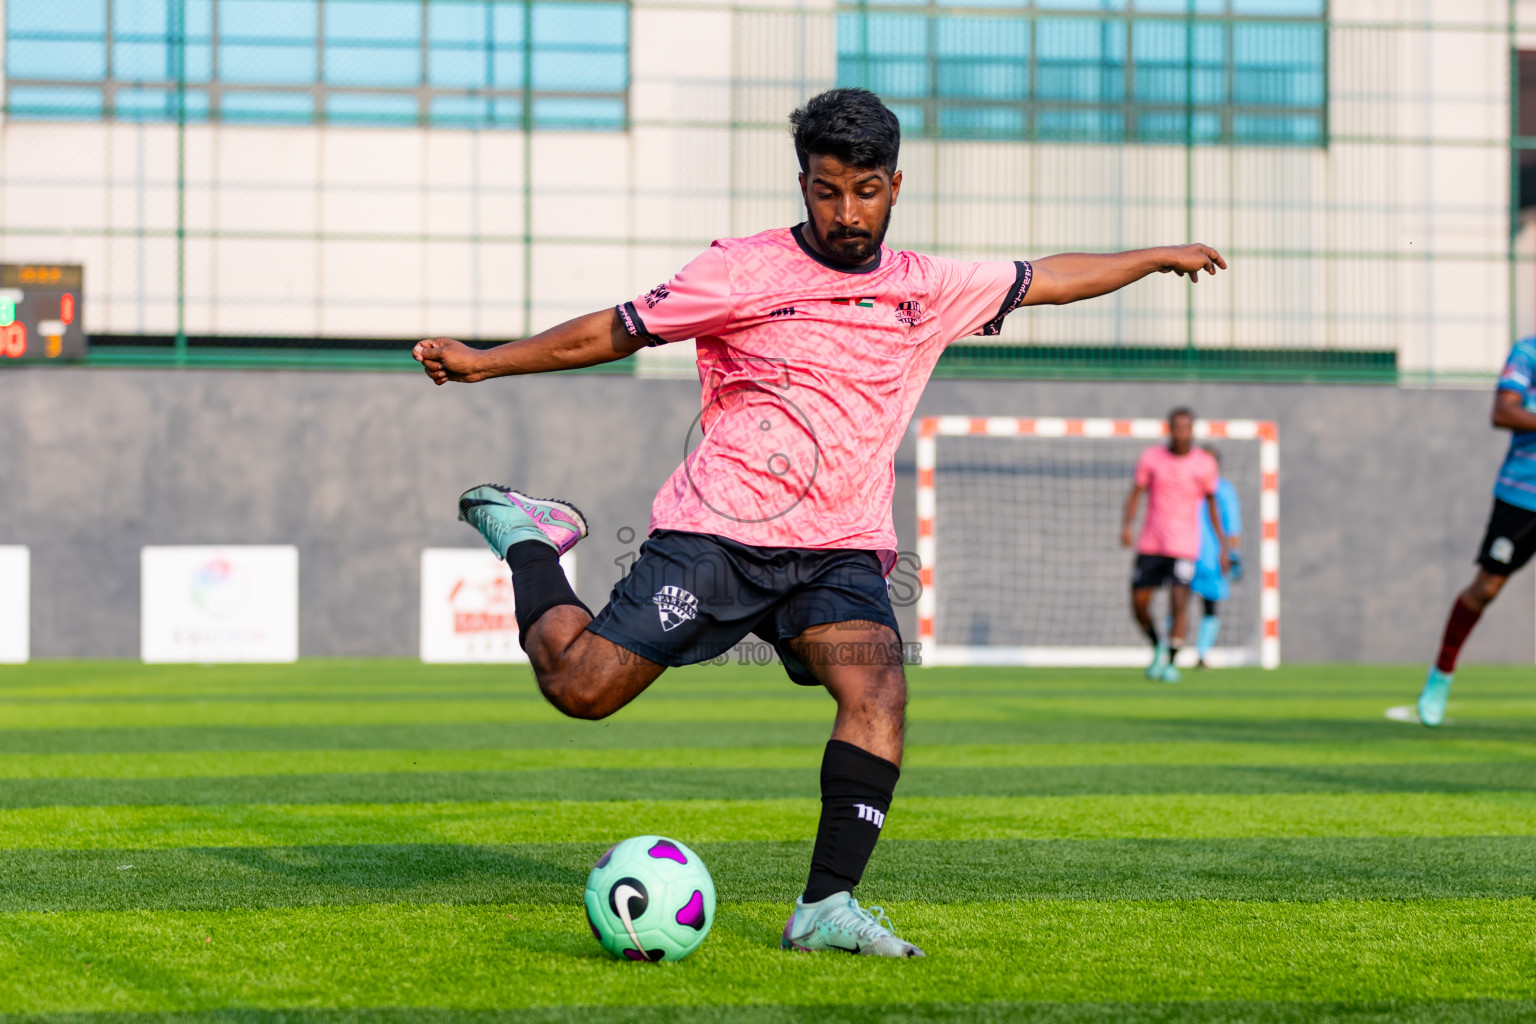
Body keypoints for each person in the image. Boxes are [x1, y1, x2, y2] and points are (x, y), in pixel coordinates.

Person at [413, 88, 1227, 957]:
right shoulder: (741, 271)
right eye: (827, 190)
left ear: (896, 185)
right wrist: (484, 363)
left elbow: (1049, 278)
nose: (847, 212)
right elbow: (613, 332)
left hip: (838, 551)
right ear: (803, 183)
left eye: (866, 190)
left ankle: (825, 907)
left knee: (877, 690)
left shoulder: (928, 288)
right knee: (580, 688)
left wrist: (1157, 257)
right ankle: (532, 536)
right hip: (717, 536)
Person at [1417, 337, 1536, 727]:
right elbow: (1503, 412)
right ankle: (1442, 674)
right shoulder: (1529, 353)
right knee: (1485, 588)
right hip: (1522, 495)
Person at [1121, 409, 1228, 683]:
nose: (1181, 433)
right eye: (1176, 427)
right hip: (1151, 543)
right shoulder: (1151, 458)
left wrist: (1223, 546)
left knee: (1179, 603)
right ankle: (1157, 644)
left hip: (1184, 545)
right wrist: (1127, 525)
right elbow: (1136, 492)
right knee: (1138, 602)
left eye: (1186, 428)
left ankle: (1169, 662)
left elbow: (1212, 503)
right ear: (1169, 429)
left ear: (1192, 431)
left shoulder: (1203, 464)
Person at [1188, 444, 1243, 668]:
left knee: (1210, 605)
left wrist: (1233, 555)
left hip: (1212, 558)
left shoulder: (1224, 490)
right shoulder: (1187, 486)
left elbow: (1233, 526)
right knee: (1177, 602)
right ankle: (1166, 650)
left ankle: (1202, 654)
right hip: (1184, 553)